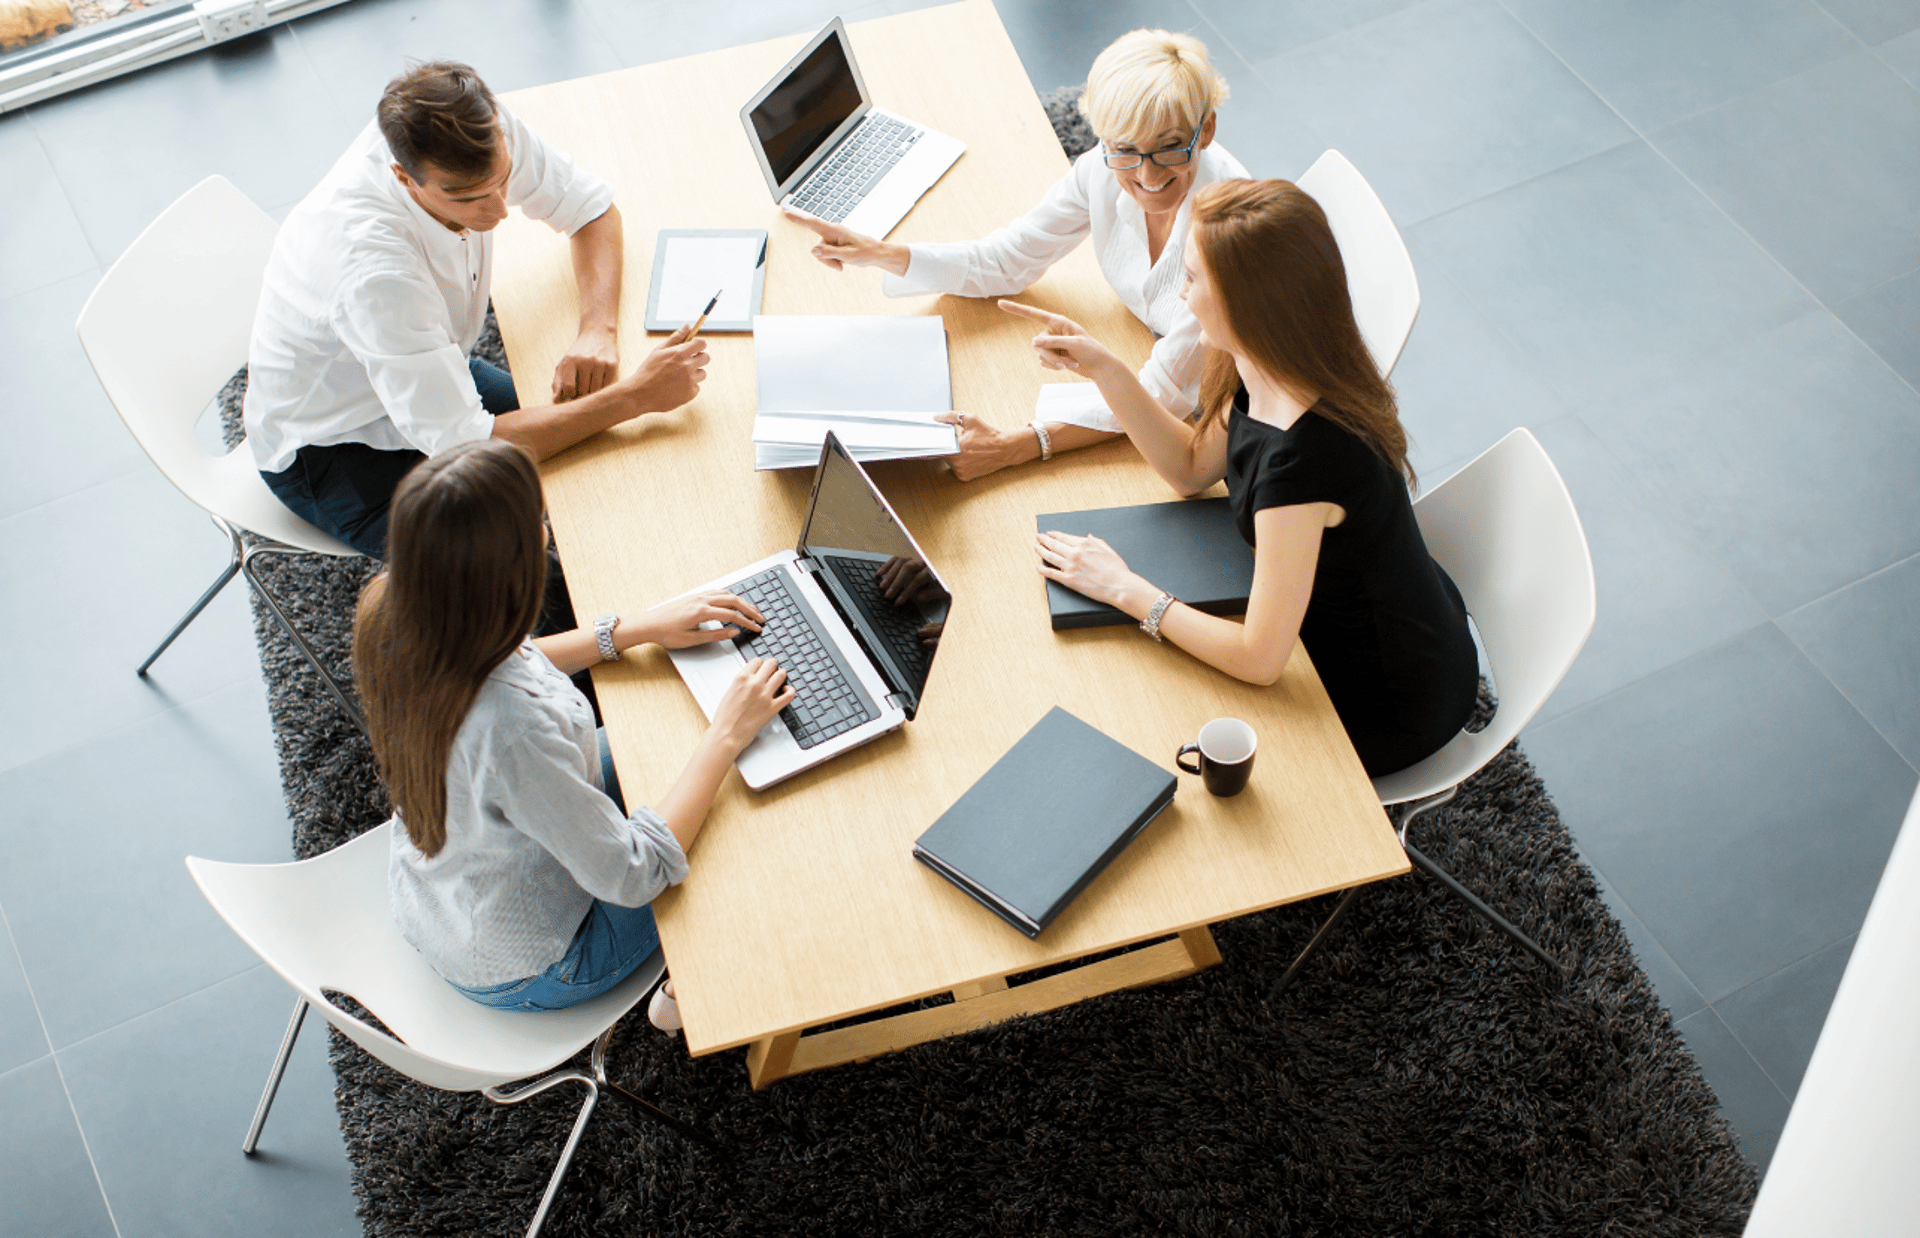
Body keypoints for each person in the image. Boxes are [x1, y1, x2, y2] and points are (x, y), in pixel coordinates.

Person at [1012, 179, 1479, 778]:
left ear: (1244, 300)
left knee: (1146, 714)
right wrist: (1103, 367)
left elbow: (1261, 660)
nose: (1180, 295)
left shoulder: (1303, 462)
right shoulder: (1263, 363)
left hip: (1382, 696)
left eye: (1191, 278)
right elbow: (1189, 469)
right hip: (1355, 612)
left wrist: (1125, 590)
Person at [354, 439, 792, 1019]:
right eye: (539, 524)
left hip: (442, 898)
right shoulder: (516, 730)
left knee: (664, 744)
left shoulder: (397, 608)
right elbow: (635, 873)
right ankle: (692, 987)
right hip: (538, 966)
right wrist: (727, 734)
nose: (546, 533)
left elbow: (511, 659)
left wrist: (632, 630)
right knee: (746, 810)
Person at [244, 61, 708, 559]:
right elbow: (464, 446)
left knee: (598, 451)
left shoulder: (479, 128)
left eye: (504, 181)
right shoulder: (375, 274)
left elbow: (591, 209)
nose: (498, 212)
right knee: (519, 581)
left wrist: (597, 329)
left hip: (431, 365)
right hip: (332, 446)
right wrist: (635, 397)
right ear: (404, 177)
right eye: (467, 198)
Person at [786, 28, 1246, 481]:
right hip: (1141, 349)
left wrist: (1017, 445)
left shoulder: (1227, 237)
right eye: (1124, 148)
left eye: (1168, 147)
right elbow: (1006, 260)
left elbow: (1163, 395)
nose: (1146, 176)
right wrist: (881, 252)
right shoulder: (1100, 169)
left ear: (1205, 130)